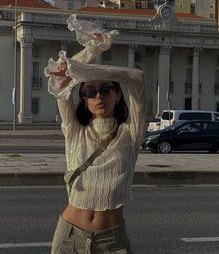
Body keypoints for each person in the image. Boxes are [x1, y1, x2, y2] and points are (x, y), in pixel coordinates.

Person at [45, 14, 146, 254]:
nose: (98, 96)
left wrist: (89, 70)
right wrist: (92, 50)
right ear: (84, 100)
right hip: (69, 236)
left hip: (112, 240)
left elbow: (138, 80)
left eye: (106, 89)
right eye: (90, 91)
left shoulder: (130, 134)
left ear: (117, 94)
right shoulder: (74, 130)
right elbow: (62, 81)